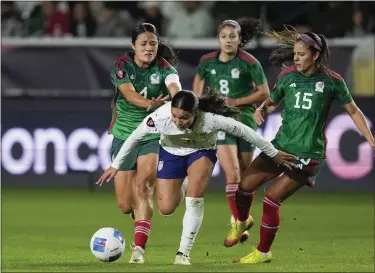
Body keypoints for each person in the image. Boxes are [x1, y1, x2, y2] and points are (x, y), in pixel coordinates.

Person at [97, 90, 297, 265]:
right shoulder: (160, 117)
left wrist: (273, 153)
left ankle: (183, 253)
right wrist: (115, 165)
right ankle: (184, 182)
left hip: (201, 152)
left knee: (194, 200)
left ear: (195, 113)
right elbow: (134, 137)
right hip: (171, 153)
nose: (177, 121)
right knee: (166, 209)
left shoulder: (211, 119)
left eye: (184, 117)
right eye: (175, 116)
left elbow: (247, 132)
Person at [231, 26, 375, 264]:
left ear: (315, 55)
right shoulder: (287, 76)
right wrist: (261, 108)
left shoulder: (332, 81)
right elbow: (272, 101)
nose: (295, 58)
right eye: (294, 53)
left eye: (301, 54)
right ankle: (243, 220)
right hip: (279, 147)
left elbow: (354, 111)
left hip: (307, 154)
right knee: (244, 187)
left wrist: (370, 139)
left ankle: (262, 253)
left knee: (271, 199)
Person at [106, 22, 182, 264]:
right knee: (125, 204)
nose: (149, 48)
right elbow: (129, 94)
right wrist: (149, 103)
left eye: (153, 43)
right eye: (144, 44)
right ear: (133, 46)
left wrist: (177, 99)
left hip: (152, 134)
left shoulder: (165, 67)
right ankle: (136, 215)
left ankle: (139, 249)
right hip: (124, 135)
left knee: (144, 186)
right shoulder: (121, 68)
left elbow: (175, 88)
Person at [192, 17, 271, 245]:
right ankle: (238, 222)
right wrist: (199, 104)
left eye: (233, 36)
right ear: (218, 39)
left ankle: (241, 218)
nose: (228, 41)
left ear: (239, 39)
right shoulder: (207, 61)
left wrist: (237, 101)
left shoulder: (249, 62)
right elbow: (198, 82)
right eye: (224, 36)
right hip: (220, 120)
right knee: (232, 173)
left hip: (244, 119)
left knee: (245, 176)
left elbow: (264, 92)